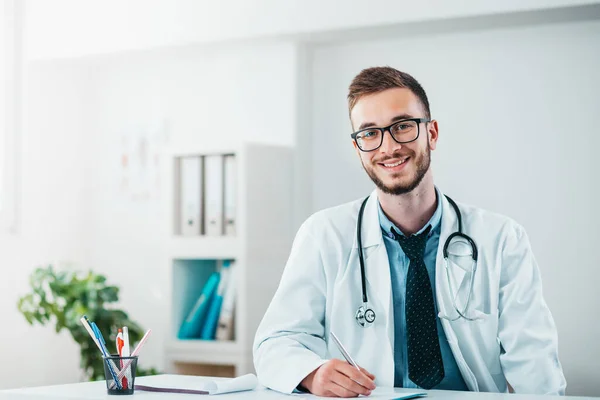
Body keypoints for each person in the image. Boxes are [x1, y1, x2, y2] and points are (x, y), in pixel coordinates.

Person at [253, 66, 566, 397]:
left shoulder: (502, 240)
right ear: (358, 146)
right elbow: (276, 342)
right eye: (370, 133)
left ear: (431, 133)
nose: (388, 147)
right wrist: (313, 373)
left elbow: (535, 365)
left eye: (402, 126)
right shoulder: (323, 235)